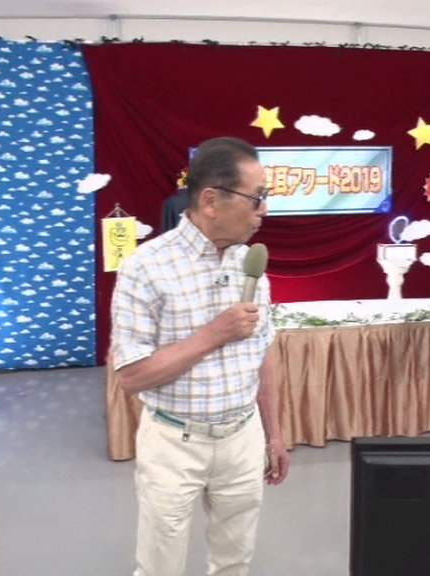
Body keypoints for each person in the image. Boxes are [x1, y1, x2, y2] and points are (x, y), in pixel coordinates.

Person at [110, 136, 290, 576]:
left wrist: (274, 434)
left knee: (234, 560)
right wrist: (213, 334)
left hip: (242, 439)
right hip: (174, 443)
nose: (264, 210)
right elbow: (131, 377)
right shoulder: (145, 267)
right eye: (256, 197)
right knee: (160, 566)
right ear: (211, 200)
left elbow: (262, 353)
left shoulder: (252, 264)